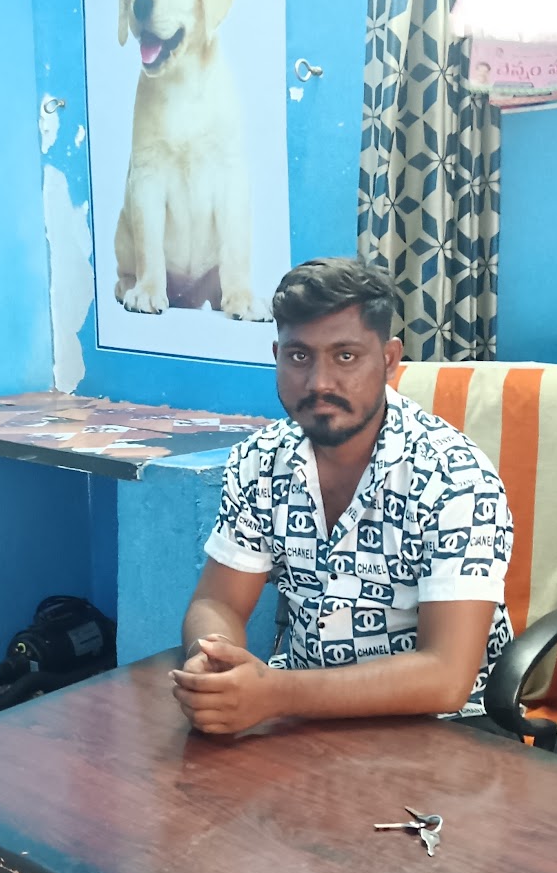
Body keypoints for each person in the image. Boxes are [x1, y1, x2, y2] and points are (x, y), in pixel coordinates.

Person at [172, 258, 513, 737]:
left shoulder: (454, 476)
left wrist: (275, 694)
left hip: (444, 725)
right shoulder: (260, 460)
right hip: (299, 714)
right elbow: (218, 602)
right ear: (277, 355)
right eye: (299, 357)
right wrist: (213, 661)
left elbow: (446, 676)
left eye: (346, 356)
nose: (319, 383)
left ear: (389, 360)